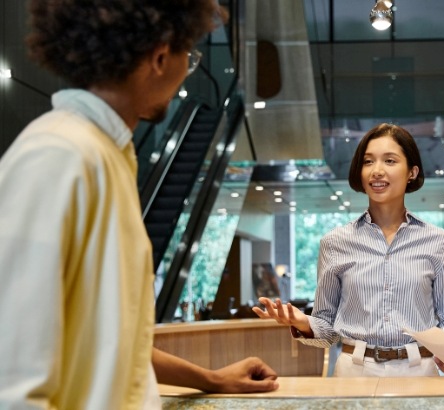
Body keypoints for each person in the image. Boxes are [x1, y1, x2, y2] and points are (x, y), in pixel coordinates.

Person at [0, 1, 277, 408]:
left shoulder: (104, 156)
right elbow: (14, 381)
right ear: (160, 56)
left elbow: (113, 336)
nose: (189, 68)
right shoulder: (59, 156)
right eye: (191, 55)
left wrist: (211, 379)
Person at [253, 123, 444, 377]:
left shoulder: (439, 241)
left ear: (412, 172)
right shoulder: (335, 242)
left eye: (389, 161)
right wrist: (303, 322)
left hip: (420, 369)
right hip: (354, 371)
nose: (377, 171)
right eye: (368, 162)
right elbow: (327, 329)